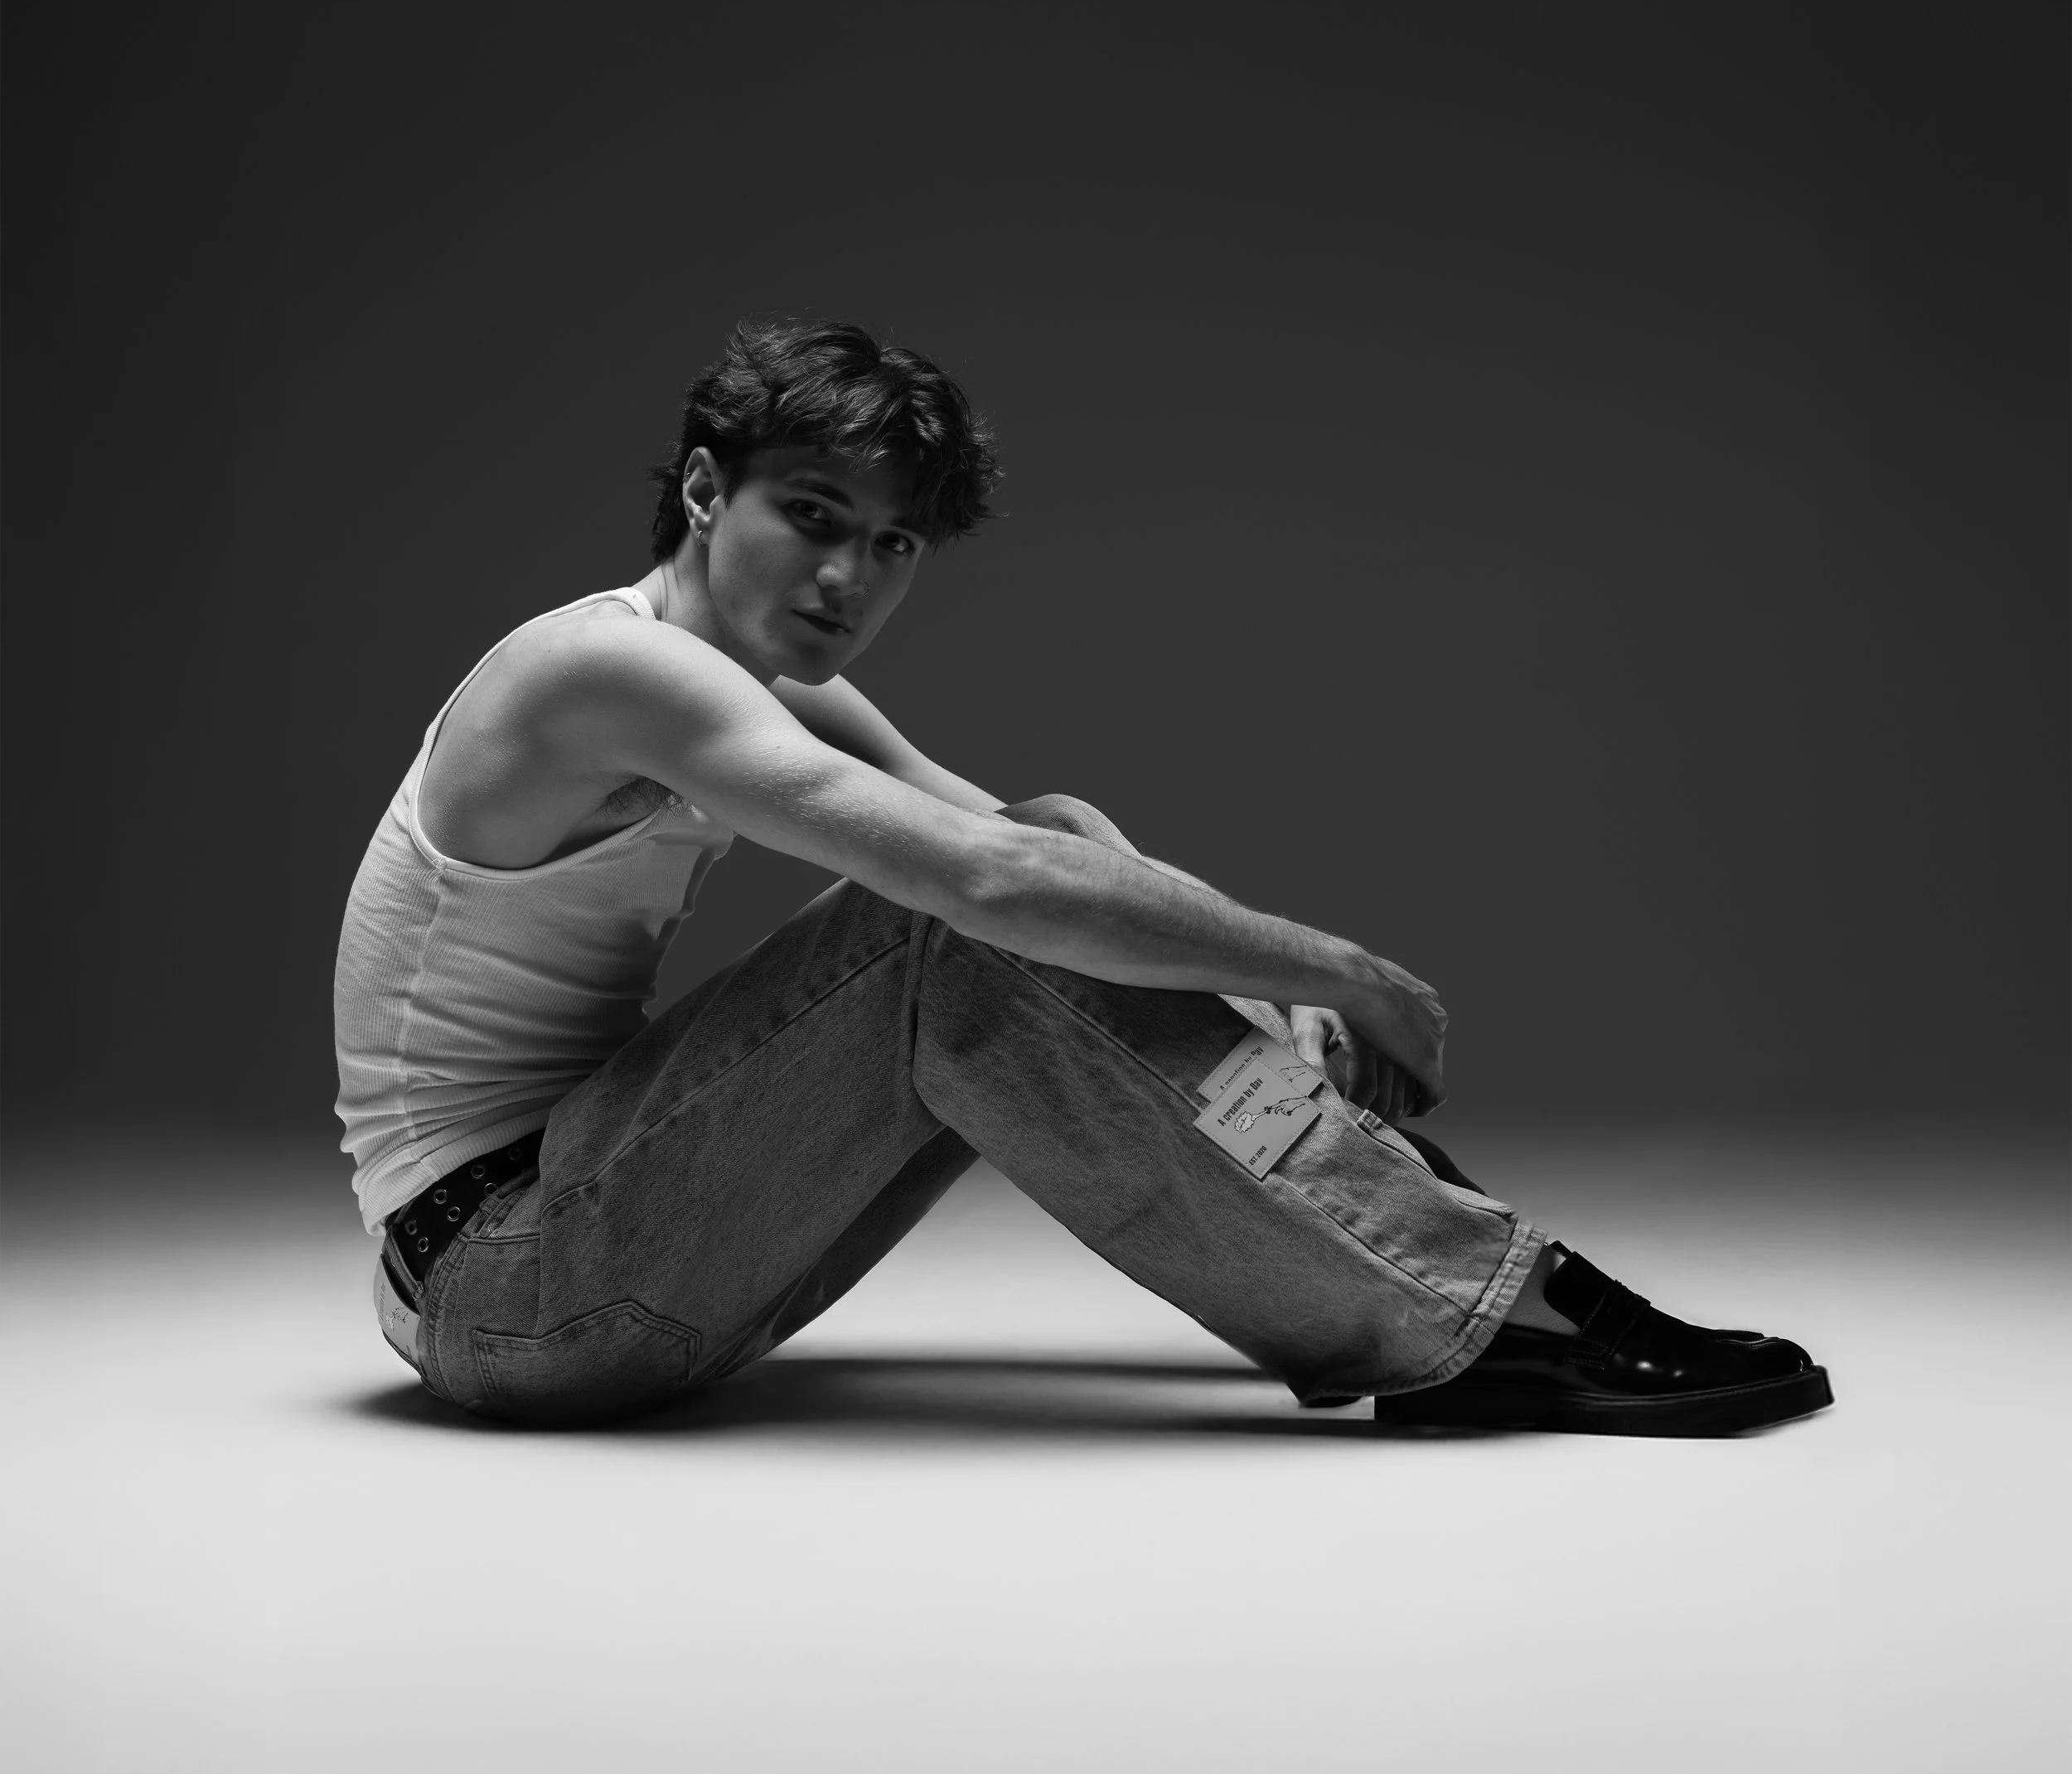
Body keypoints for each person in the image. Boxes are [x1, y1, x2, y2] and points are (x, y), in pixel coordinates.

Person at [333, 318, 1832, 1437]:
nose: (848, 582)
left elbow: (1036, 846)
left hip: (616, 1244)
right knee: (948, 925)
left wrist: (1253, 1001)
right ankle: (1476, 1307)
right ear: (709, 490)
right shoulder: (600, 665)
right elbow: (984, 891)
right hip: (501, 1284)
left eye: (893, 542)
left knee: (1045, 843)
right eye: (813, 517)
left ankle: (1444, 1266)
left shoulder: (760, 687)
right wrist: (1344, 974)